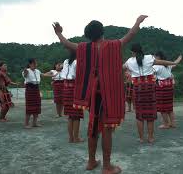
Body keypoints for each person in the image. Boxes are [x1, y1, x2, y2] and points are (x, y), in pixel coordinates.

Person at [53, 15, 148, 174]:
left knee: (93, 126)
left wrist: (59, 33)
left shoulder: (83, 48)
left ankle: (91, 161)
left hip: (91, 94)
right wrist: (138, 22)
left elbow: (66, 43)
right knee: (107, 128)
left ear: (88, 35)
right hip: (107, 94)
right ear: (102, 32)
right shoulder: (112, 45)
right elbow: (130, 35)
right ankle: (107, 166)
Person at [123, 43, 182, 144]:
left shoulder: (129, 61)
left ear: (132, 52)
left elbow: (122, 67)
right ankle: (150, 138)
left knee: (139, 115)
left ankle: (141, 138)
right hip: (150, 87)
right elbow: (162, 62)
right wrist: (172, 62)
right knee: (150, 114)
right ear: (141, 50)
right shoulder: (149, 57)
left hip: (138, 88)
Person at [153, 51, 182, 129]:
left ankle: (166, 124)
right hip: (169, 87)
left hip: (161, 88)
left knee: (163, 108)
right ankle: (172, 123)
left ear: (158, 57)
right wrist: (179, 58)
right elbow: (175, 62)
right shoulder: (168, 65)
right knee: (169, 107)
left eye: (154, 57)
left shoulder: (156, 67)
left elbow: (148, 72)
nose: (154, 59)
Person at [60, 51, 84, 143]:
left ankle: (71, 138)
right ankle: (76, 137)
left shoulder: (65, 61)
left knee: (70, 116)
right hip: (75, 88)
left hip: (66, 89)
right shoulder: (77, 62)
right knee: (76, 115)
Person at [22, 59, 43, 129]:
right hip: (30, 89)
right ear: (30, 64)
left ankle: (35, 123)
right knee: (29, 107)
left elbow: (42, 75)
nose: (35, 65)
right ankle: (26, 124)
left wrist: (51, 74)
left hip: (36, 89)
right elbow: (25, 75)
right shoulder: (27, 71)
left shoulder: (37, 71)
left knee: (37, 106)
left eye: (36, 63)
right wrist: (25, 71)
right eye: (34, 63)